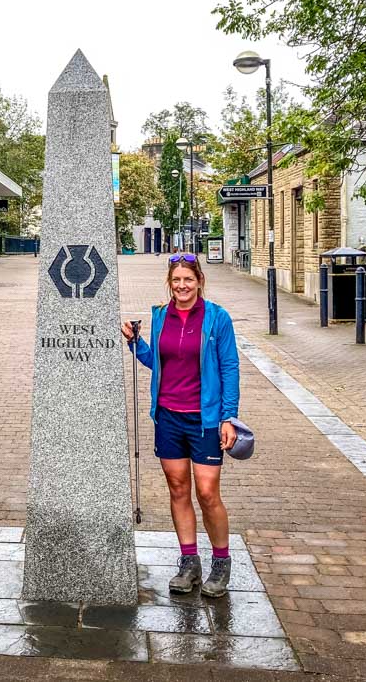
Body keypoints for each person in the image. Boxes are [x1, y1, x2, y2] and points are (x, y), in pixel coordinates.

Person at [121, 253, 240, 597]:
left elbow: (229, 367)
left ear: (200, 281)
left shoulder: (217, 318)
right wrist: (135, 343)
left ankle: (220, 563)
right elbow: (155, 360)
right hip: (168, 416)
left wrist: (228, 417)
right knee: (178, 490)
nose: (182, 286)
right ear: (169, 284)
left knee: (207, 492)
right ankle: (189, 562)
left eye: (188, 279)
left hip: (205, 419)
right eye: (176, 280)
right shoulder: (160, 316)